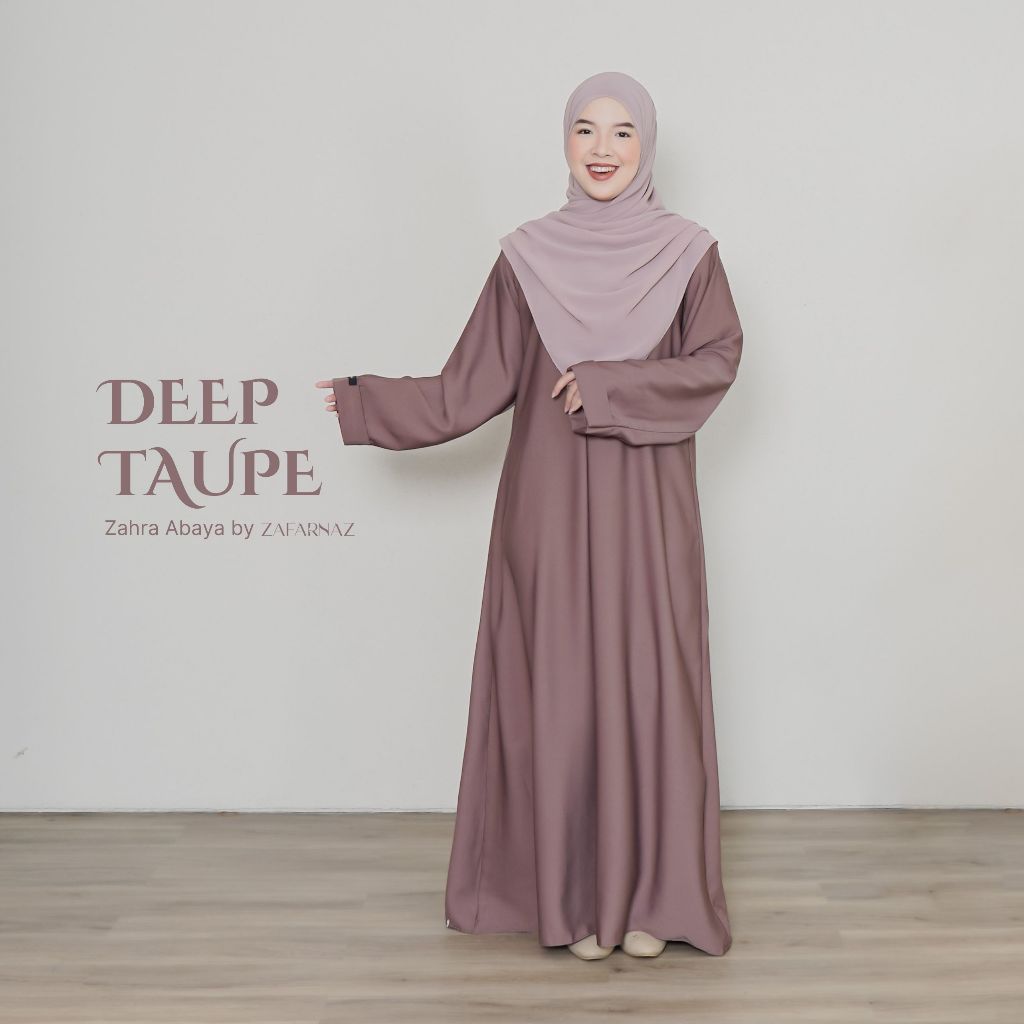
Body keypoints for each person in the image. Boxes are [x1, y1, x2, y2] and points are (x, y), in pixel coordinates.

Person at [315, 70, 743, 962]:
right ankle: (574, 903)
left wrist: (612, 384)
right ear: (564, 141)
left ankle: (652, 902)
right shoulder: (527, 259)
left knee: (650, 690)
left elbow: (716, 361)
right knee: (562, 695)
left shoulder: (689, 254)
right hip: (546, 517)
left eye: (621, 132)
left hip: (648, 519)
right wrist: (361, 401)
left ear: (646, 145)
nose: (601, 149)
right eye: (585, 129)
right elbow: (467, 386)